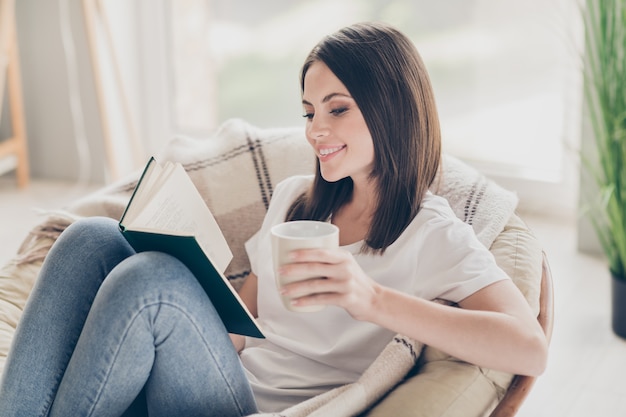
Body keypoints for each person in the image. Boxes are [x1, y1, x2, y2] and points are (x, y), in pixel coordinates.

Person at [0, 22, 547, 416]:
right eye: (309, 112)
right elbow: (245, 323)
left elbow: (528, 346)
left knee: (151, 285)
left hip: (253, 406)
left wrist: (370, 299)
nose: (315, 129)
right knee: (89, 236)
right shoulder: (294, 201)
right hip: (214, 371)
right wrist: (193, 279)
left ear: (392, 109)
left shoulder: (433, 233)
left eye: (337, 108)